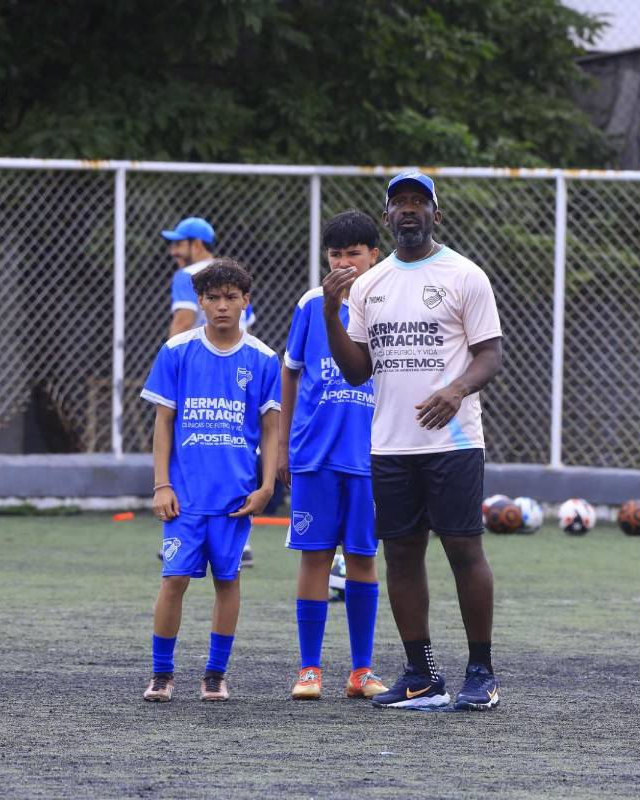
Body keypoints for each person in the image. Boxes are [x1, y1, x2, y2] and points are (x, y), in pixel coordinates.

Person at [322, 171, 504, 711]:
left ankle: (481, 672)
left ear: (434, 215)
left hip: (452, 442)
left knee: (463, 550)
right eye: (398, 202)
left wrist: (456, 389)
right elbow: (357, 371)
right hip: (391, 444)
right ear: (386, 217)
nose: (408, 210)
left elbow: (490, 354)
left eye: (417, 202)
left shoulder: (464, 275)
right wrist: (332, 314)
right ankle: (421, 673)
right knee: (400, 556)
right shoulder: (369, 284)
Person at [139, 259, 281, 702]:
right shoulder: (177, 351)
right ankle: (162, 674)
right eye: (213, 298)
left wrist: (267, 487)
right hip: (184, 497)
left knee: (229, 580)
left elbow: (273, 427)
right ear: (199, 301)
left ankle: (215, 674)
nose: (222, 306)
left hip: (234, 497)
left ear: (246, 302)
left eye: (231, 298)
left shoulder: (262, 359)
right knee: (173, 580)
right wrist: (162, 484)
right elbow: (163, 423)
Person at [278, 210, 387, 701]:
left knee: (363, 558)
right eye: (336, 254)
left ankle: (361, 672)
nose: (343, 263)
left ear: (374, 257)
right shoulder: (310, 304)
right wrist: (280, 445)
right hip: (314, 455)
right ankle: (309, 670)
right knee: (316, 556)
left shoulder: (389, 302)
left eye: (353, 254)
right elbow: (291, 370)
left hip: (371, 456)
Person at [161, 216, 259, 566]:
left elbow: (182, 322)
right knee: (233, 447)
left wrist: (169, 366)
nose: (174, 251)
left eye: (179, 243)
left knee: (190, 445)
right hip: (238, 375)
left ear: (197, 244)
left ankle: (184, 527)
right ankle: (237, 538)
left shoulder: (189, 278)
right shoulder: (232, 278)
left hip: (197, 375)